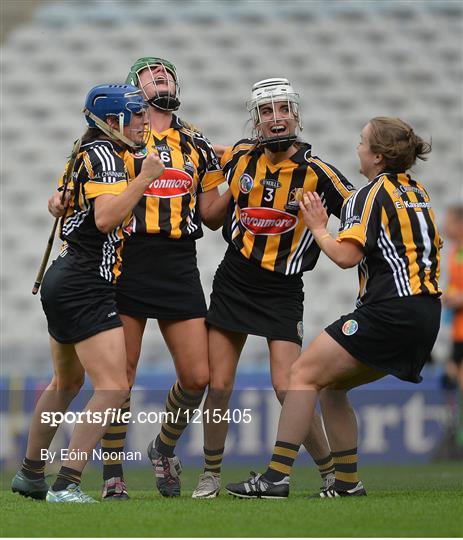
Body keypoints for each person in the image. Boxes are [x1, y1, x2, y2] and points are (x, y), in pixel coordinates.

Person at [225, 116, 442, 499]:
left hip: (390, 310)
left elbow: (344, 256)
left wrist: (318, 226)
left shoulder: (368, 195)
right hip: (426, 315)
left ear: (377, 156)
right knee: (331, 388)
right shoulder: (418, 192)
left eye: (362, 142)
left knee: (301, 375)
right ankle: (345, 482)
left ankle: (276, 478)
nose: (357, 148)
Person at [191, 78, 356, 499]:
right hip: (234, 280)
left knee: (289, 386)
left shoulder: (319, 174)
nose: (276, 118)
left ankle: (330, 474)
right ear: (256, 120)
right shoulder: (239, 157)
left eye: (283, 109)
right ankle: (210, 473)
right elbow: (194, 159)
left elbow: (361, 210)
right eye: (267, 111)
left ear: (296, 116)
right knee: (220, 384)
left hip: (283, 290)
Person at [11, 84, 165, 503]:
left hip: (63, 281)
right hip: (85, 282)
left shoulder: (88, 151)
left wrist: (55, 201)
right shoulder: (104, 155)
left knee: (65, 382)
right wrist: (147, 179)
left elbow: (62, 199)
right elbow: (105, 218)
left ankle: (30, 474)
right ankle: (68, 482)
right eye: (135, 115)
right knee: (113, 386)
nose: (143, 121)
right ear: (112, 121)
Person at [442, 206, 463, 447]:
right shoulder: (454, 252)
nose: (445, 227)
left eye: (449, 221)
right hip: (457, 331)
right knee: (451, 381)